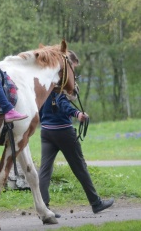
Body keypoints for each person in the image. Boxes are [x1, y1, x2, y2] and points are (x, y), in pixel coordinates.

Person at [38, 50, 114, 217]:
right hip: (62, 131)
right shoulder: (60, 81)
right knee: (80, 167)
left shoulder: (45, 79)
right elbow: (62, 101)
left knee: (45, 170)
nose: (74, 71)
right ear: (67, 63)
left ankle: (44, 208)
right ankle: (96, 203)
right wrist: (77, 114)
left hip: (46, 131)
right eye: (73, 66)